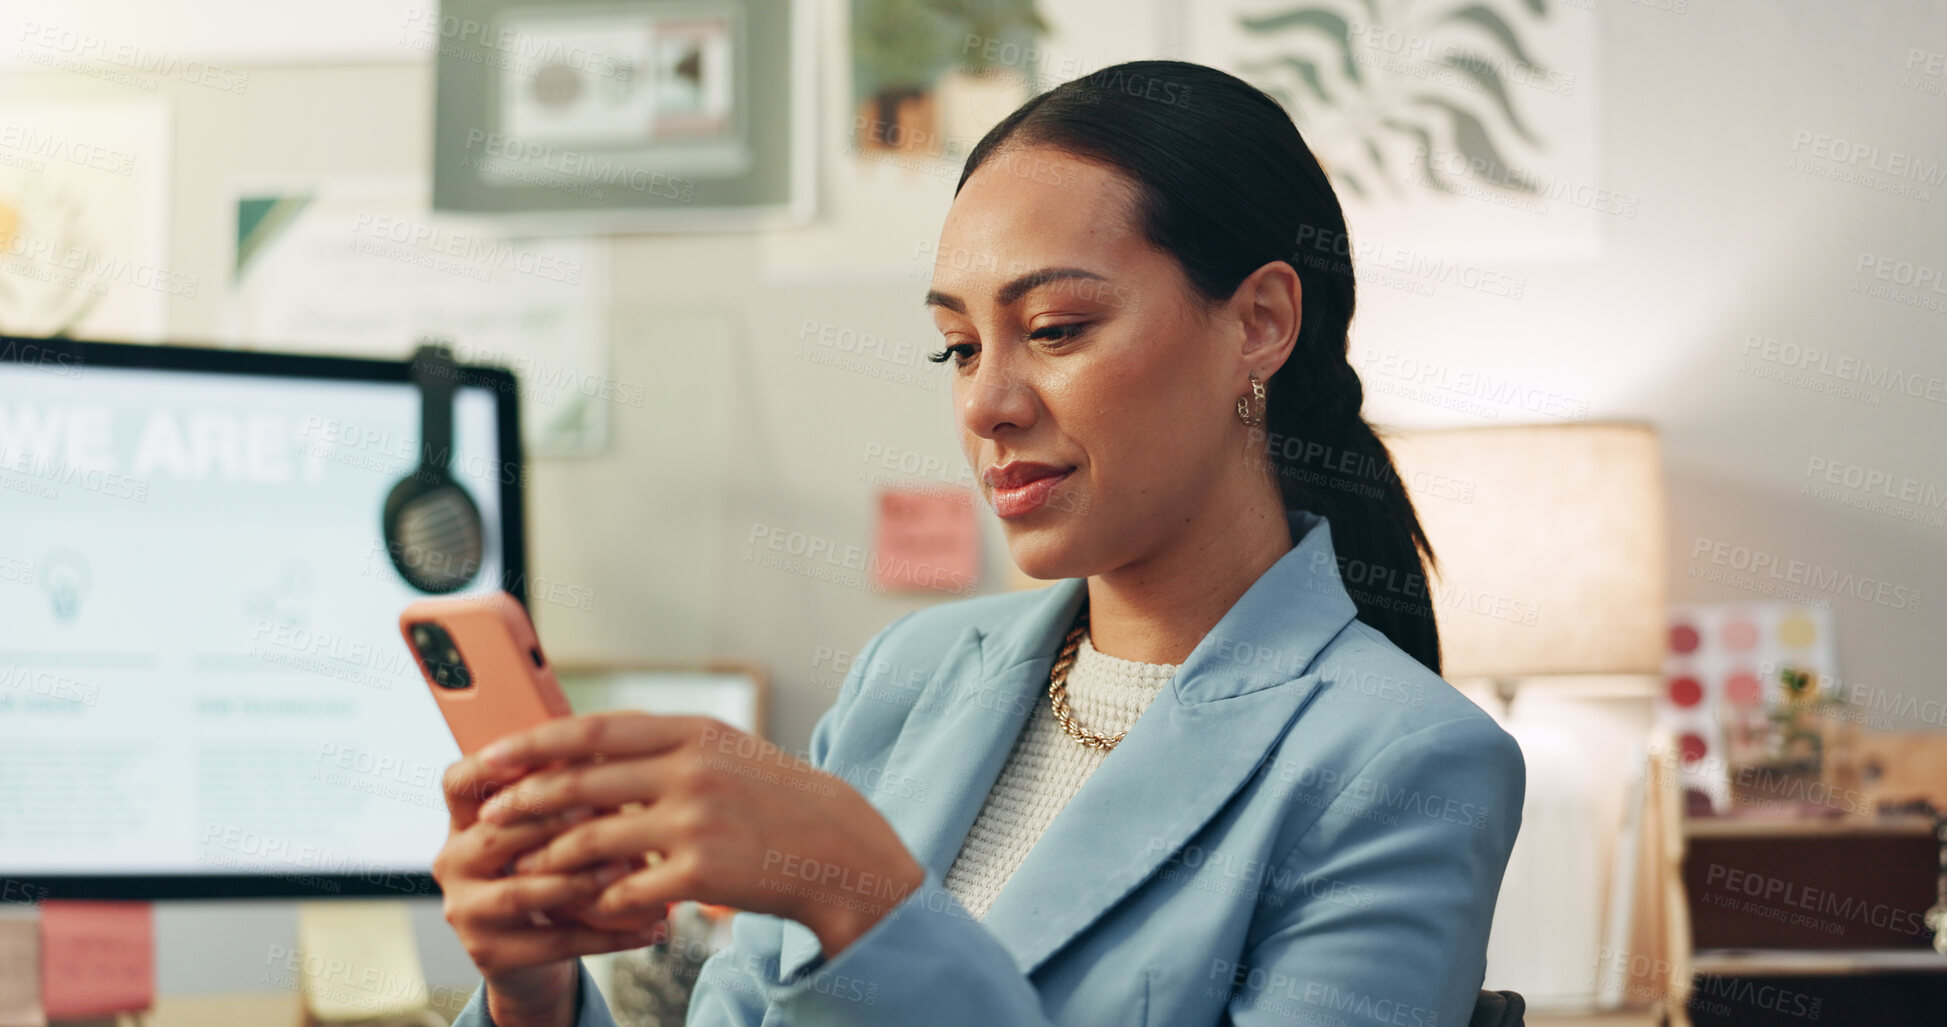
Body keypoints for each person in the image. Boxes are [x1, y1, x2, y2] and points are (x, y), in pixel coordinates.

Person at [440, 59, 1525, 1027]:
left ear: (1260, 325)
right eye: (956, 347)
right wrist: (534, 1004)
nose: (987, 403)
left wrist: (858, 893)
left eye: (1054, 329)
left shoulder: (1408, 763)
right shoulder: (905, 678)